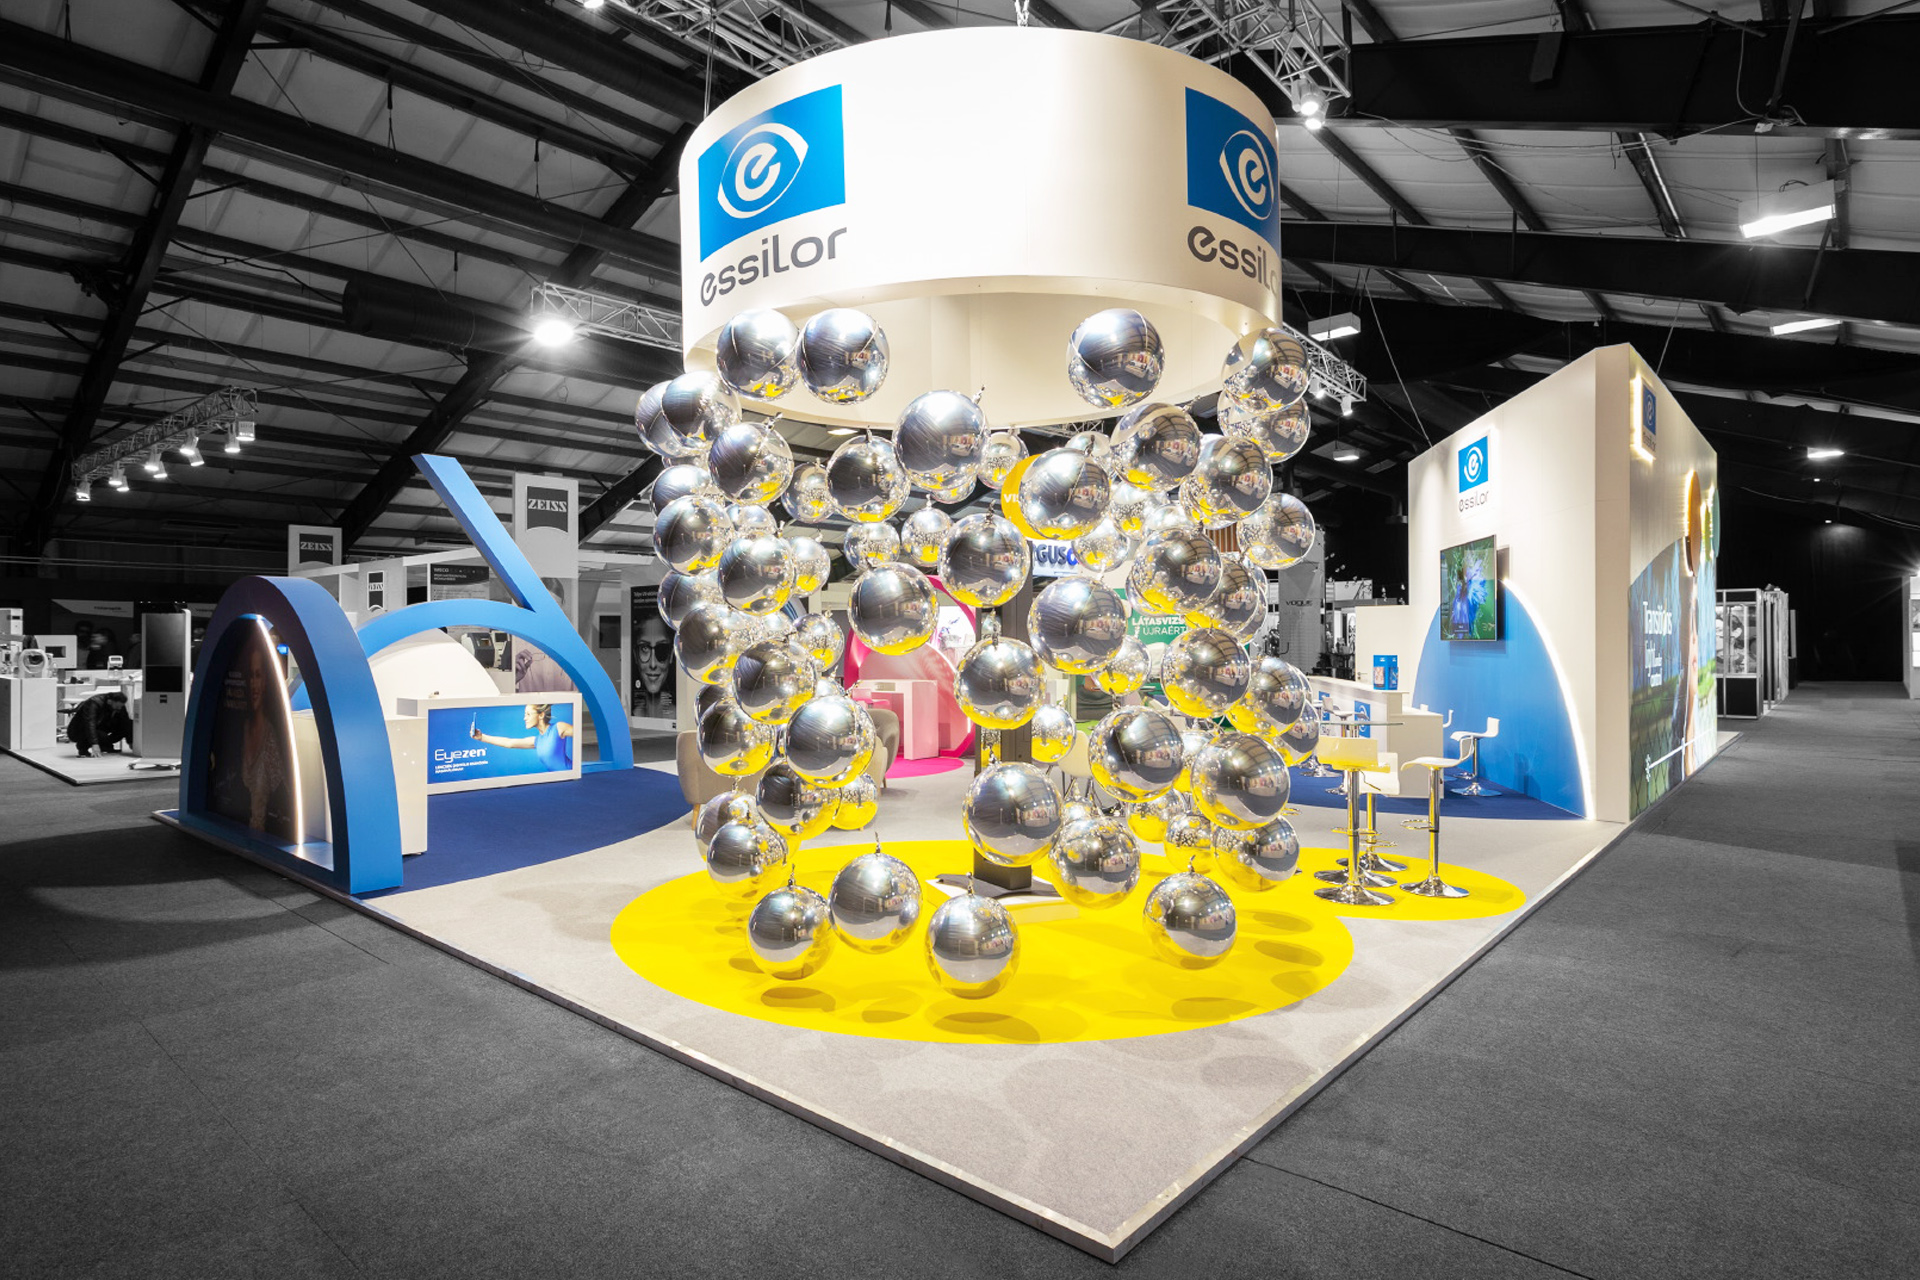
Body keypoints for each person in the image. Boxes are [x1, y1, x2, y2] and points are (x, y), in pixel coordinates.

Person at [471, 702, 573, 771]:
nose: (524, 718)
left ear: (541, 715)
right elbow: (509, 743)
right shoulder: (537, 741)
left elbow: (580, 732)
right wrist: (482, 737)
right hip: (560, 781)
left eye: (528, 714)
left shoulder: (559, 727)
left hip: (573, 777)